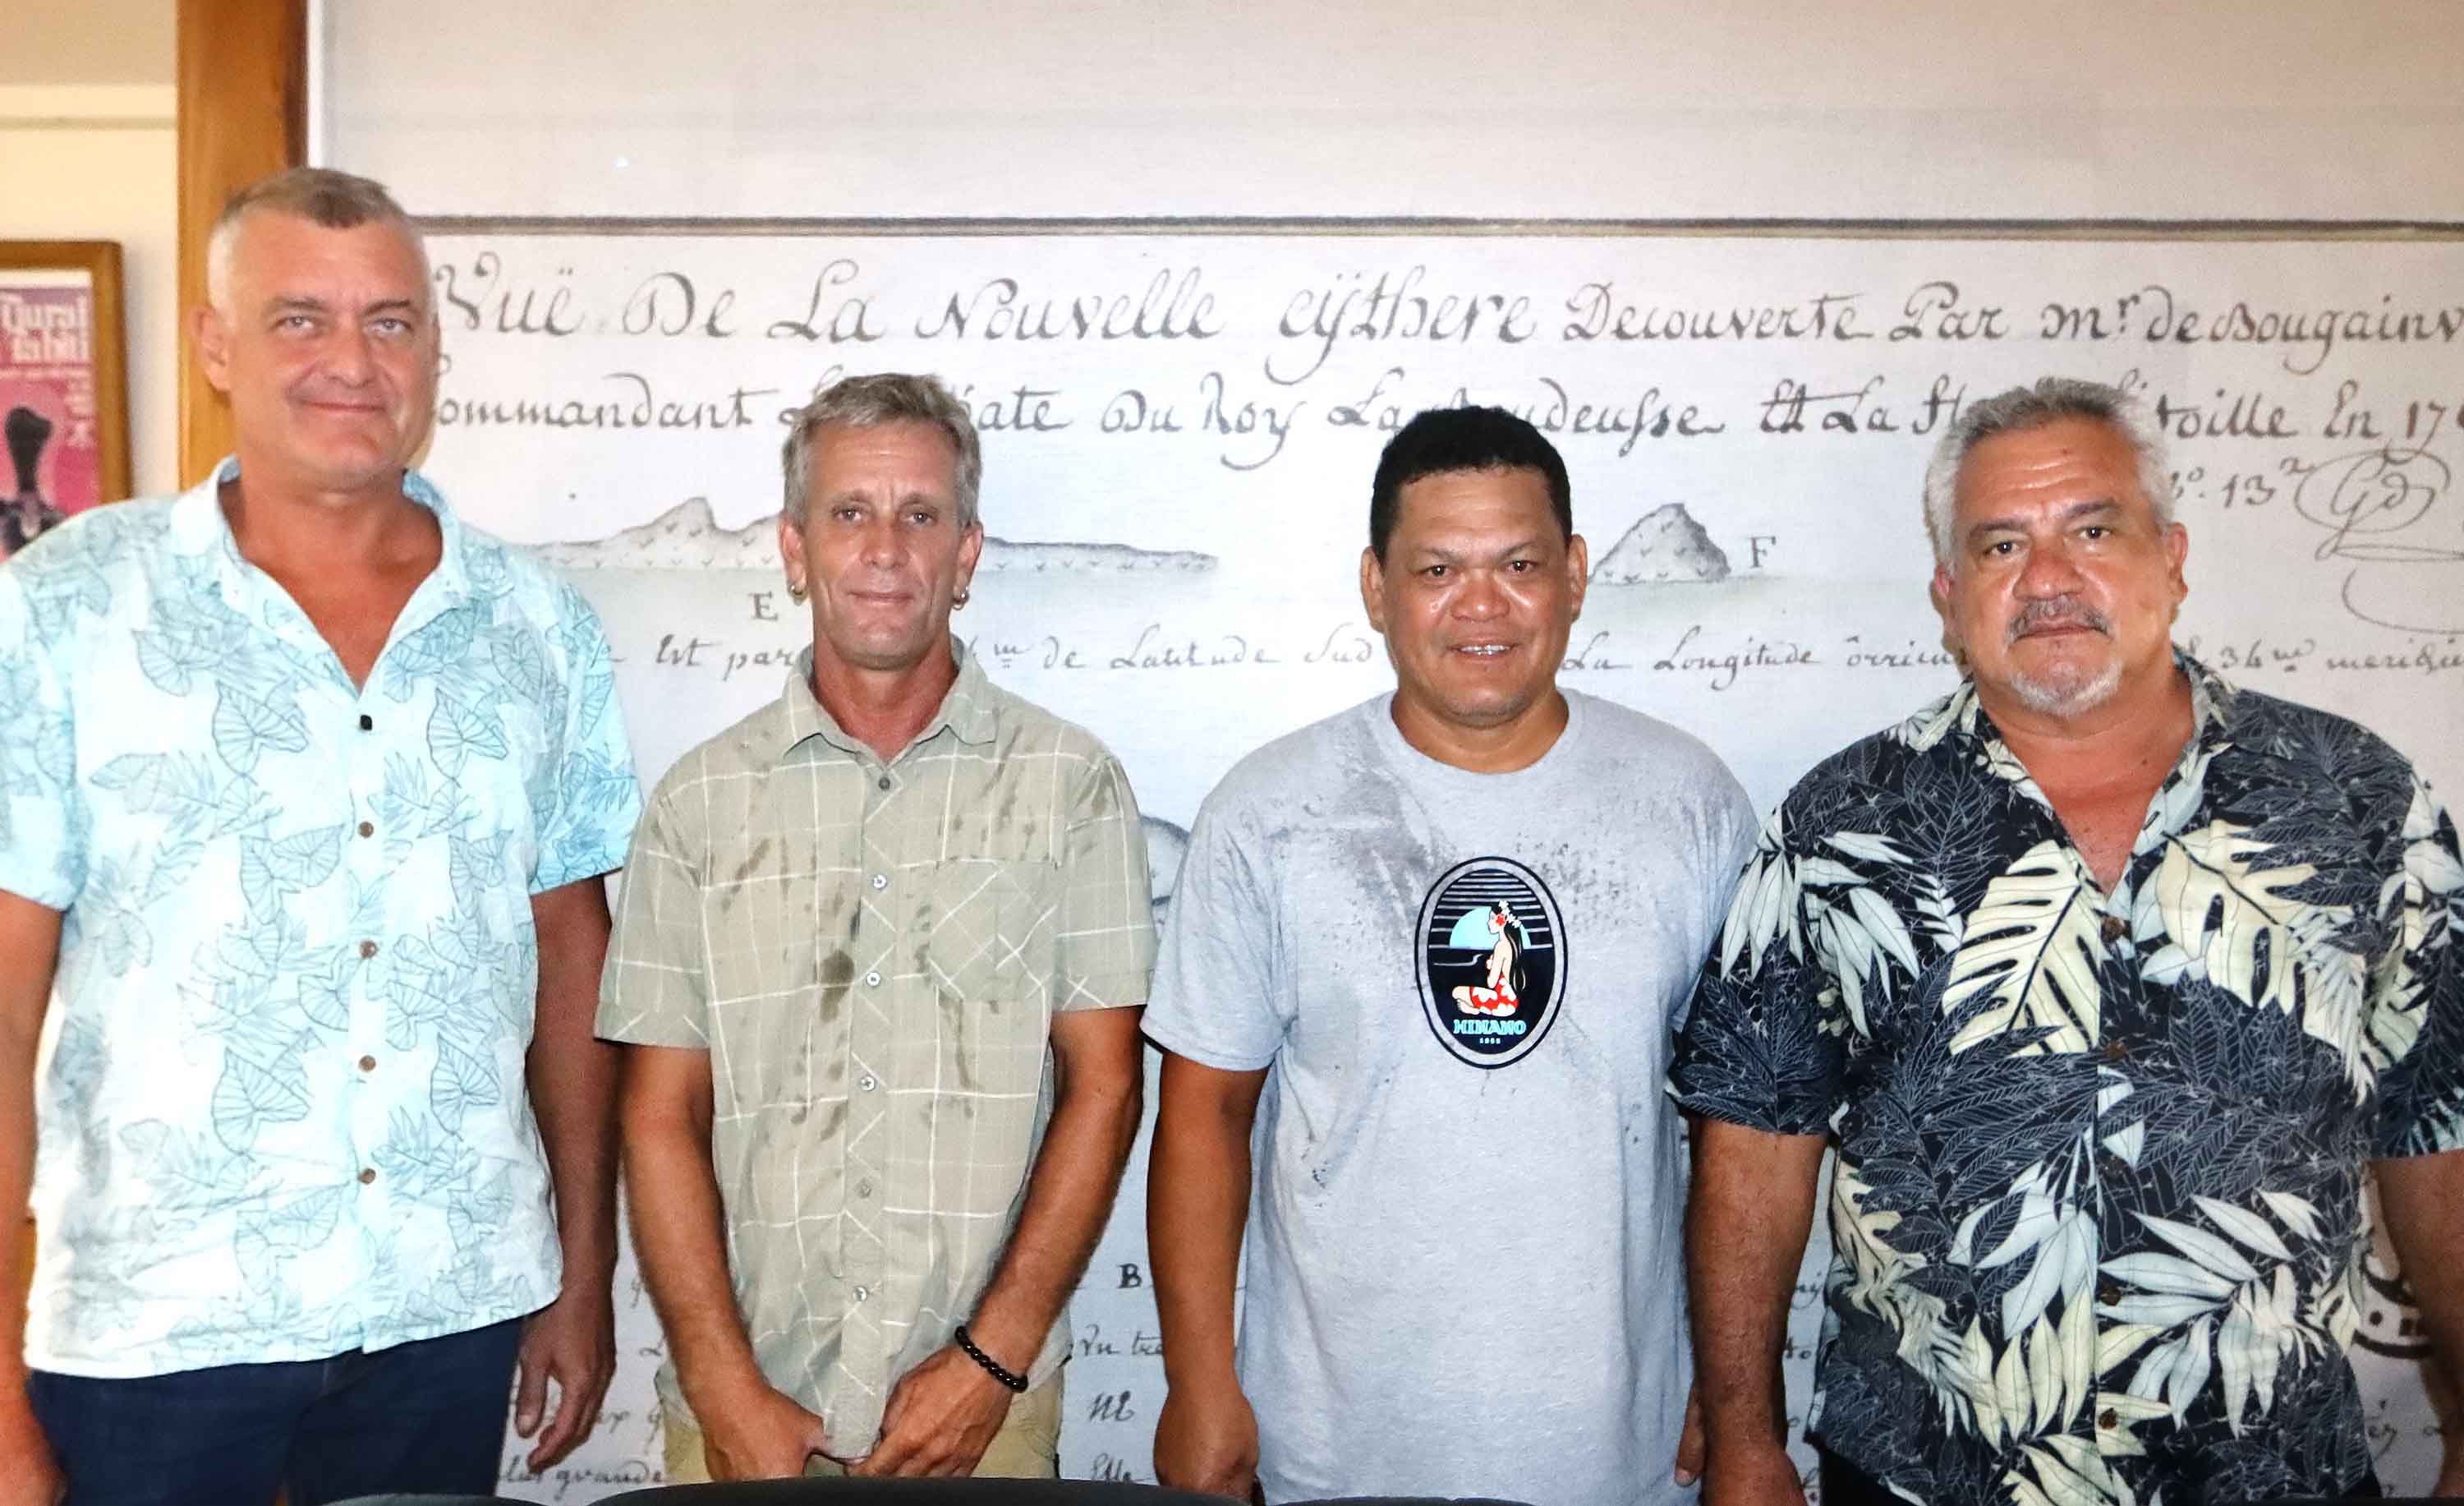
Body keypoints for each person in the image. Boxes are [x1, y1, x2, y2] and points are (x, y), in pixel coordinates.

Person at [1673, 376, 2464, 1506]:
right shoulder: (1841, 826)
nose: (2047, 579)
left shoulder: (2355, 803)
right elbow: (1753, 1144)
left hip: (2275, 1473)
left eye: (2092, 530)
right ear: (1950, 595)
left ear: (2171, 558)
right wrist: (1748, 1445)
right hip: (1923, 1477)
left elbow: (2439, 1126)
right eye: (2002, 545)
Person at [0, 167, 640, 1506]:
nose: (354, 362)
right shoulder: (61, 614)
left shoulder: (538, 630)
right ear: (218, 345)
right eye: (301, 318)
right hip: (155, 1328)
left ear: (436, 355)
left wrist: (581, 1272)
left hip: (447, 1310)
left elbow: (573, 972)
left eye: (392, 323)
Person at [1144, 405, 1757, 1505]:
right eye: (1439, 568)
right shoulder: (1270, 811)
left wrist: (1736, 1380)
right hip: (1333, 1458)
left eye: (1519, 563)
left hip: (1621, 1454)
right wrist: (1199, 1386)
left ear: (1574, 573)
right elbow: (1204, 1114)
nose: (1484, 604)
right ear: (1377, 586)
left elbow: (1739, 1130)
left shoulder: (1692, 804)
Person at [600, 372, 1155, 1483]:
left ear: (968, 553)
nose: (886, 549)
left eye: (921, 515)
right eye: (850, 513)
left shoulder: (1070, 786)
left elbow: (1104, 1086)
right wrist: (723, 1390)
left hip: (983, 1429)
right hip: (743, 1420)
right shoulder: (699, 806)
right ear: (795, 549)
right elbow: (660, 1111)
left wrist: (987, 1364)